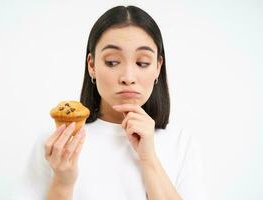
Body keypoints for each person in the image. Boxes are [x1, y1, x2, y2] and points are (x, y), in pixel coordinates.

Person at [16, 5, 207, 200]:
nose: (128, 77)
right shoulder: (56, 144)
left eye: (142, 63)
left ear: (158, 67)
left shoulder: (181, 144)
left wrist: (149, 159)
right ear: (91, 66)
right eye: (112, 62)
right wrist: (62, 182)